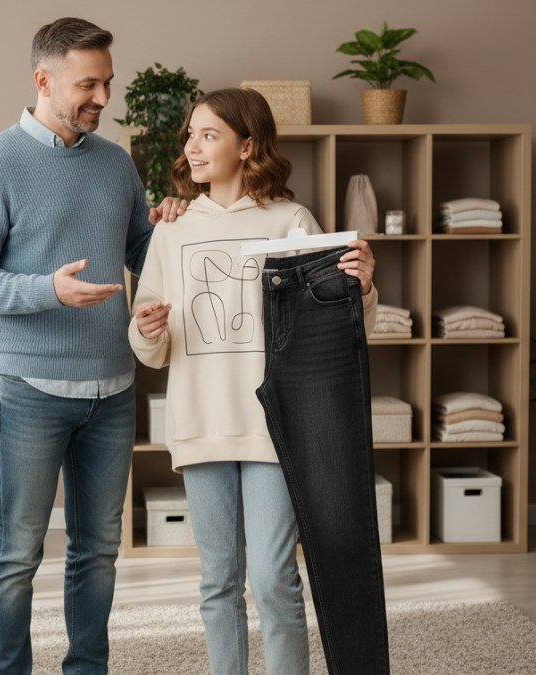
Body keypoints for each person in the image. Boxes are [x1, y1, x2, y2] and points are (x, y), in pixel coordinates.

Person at [0, 17, 186, 675]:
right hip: (29, 389)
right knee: (16, 554)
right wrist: (48, 289)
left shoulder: (115, 163)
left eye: (107, 83)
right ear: (43, 80)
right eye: (88, 85)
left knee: (98, 552)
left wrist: (170, 227)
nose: (103, 98)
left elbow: (140, 250)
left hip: (113, 387)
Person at [128, 88, 378, 674]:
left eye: (208, 135)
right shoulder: (173, 229)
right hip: (200, 423)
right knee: (218, 582)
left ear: (246, 146)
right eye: (190, 135)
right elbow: (151, 349)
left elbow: (336, 331)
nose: (192, 147)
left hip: (275, 426)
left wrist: (362, 287)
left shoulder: (291, 221)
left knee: (274, 579)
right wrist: (145, 326)